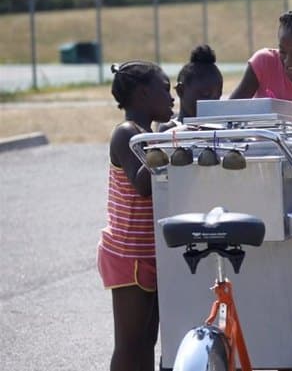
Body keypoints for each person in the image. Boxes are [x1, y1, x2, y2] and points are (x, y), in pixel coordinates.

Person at [97, 60, 174, 371]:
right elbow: (143, 184)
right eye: (165, 90)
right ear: (143, 94)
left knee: (146, 341)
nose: (172, 98)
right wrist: (167, 140)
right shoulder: (126, 133)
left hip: (149, 253)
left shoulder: (148, 133)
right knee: (130, 345)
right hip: (128, 256)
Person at [158, 44, 223, 132]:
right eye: (205, 95)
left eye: (217, 96)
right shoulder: (170, 130)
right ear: (180, 91)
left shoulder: (222, 129)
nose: (212, 101)